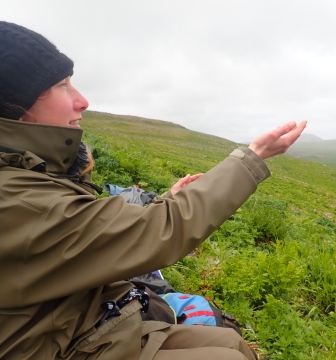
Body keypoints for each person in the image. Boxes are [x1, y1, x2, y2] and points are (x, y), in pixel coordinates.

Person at [0, 21, 307, 360]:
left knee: (233, 344)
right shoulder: (16, 200)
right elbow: (156, 232)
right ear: (16, 108)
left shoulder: (22, 174)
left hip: (73, 322)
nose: (82, 100)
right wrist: (252, 159)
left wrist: (167, 201)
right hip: (61, 343)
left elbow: (84, 232)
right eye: (62, 85)